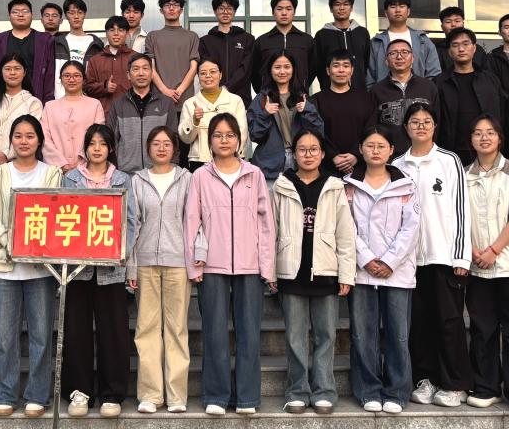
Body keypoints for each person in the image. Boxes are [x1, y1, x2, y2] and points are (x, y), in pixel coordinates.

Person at [185, 113, 276, 416]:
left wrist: (267, 267)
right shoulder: (201, 176)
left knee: (249, 332)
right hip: (212, 265)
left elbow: (266, 224)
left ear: (239, 139)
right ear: (209, 141)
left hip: (250, 266)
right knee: (214, 332)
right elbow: (192, 222)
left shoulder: (254, 174)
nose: (224, 140)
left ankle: (248, 397)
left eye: (230, 135)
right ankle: (216, 395)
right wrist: (194, 265)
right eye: (218, 135)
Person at [0, 115, 63, 418]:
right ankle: (6, 393)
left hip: (41, 268)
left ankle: (37, 395)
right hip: (3, 265)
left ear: (39, 140)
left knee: (41, 335)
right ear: (11, 140)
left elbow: (56, 213)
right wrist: (10, 242)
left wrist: (33, 247)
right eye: (18, 135)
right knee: (5, 336)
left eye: (30, 136)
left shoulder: (52, 173)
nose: (24, 141)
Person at [393, 103, 473, 408]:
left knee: (449, 322)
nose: (421, 126)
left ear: (435, 126)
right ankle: (425, 379)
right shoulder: (397, 164)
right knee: (419, 323)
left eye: (426, 121)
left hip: (443, 255)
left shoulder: (449, 161)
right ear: (406, 127)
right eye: (415, 121)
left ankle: (455, 383)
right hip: (409, 260)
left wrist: (461, 256)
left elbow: (461, 209)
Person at [271, 128, 356, 415]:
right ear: (294, 154)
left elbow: (345, 233)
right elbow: (271, 231)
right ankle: (297, 391)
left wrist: (346, 274)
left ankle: (324, 391)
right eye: (302, 150)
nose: (308, 154)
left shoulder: (334, 186)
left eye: (313, 149)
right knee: (295, 337)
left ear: (322, 154)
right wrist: (271, 270)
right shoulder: (282, 185)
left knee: (326, 335)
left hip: (325, 270)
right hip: (291, 271)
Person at [61, 124, 138, 419]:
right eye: (92, 143)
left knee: (113, 332)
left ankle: (111, 393)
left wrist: (120, 253)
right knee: (76, 331)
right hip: (78, 270)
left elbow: (130, 221)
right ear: (85, 148)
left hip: (111, 269)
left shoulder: (122, 179)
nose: (96, 148)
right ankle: (79, 391)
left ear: (110, 148)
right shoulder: (71, 179)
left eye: (102, 143)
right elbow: (63, 215)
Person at [463, 115, 509, 415]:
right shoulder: (464, 175)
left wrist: (494, 250)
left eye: (490, 132)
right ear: (471, 140)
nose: (484, 138)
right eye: (478, 133)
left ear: (499, 138)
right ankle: (486, 387)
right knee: (482, 329)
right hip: (477, 265)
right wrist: (472, 251)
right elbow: (457, 218)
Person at [343, 126, 420, 414]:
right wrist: (366, 259)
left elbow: (411, 228)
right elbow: (346, 226)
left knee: (398, 334)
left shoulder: (407, 185)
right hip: (362, 271)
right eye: (370, 145)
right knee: (363, 334)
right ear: (360, 149)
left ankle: (397, 392)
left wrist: (389, 261)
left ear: (391, 151)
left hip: (397, 272)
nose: (375, 151)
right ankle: (368, 390)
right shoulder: (348, 185)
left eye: (381, 146)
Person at [127, 126, 191, 414]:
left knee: (176, 329)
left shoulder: (186, 179)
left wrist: (197, 258)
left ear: (175, 148)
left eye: (166, 143)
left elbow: (195, 221)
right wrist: (131, 265)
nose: (161, 148)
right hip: (145, 263)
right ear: (148, 148)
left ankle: (176, 396)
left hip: (178, 262)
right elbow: (132, 224)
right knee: (147, 329)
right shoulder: (137, 180)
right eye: (156, 143)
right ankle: (151, 395)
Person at [248, 51, 324, 192]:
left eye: (287, 67)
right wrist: (265, 114)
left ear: (293, 69)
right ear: (270, 70)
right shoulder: (262, 99)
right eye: (277, 67)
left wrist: (307, 110)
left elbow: (318, 132)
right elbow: (254, 135)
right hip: (269, 163)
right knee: (269, 205)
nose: (282, 71)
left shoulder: (303, 98)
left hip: (299, 162)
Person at [435, 28, 505, 166]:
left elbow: (502, 114)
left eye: (466, 44)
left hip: (486, 150)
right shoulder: (439, 83)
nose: (461, 49)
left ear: (474, 48)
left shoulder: (490, 80)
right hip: (451, 152)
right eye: (455, 45)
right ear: (449, 51)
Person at [107, 53, 177, 173]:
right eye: (136, 69)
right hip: (126, 174)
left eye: (145, 68)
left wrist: (172, 168)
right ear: (128, 75)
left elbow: (174, 138)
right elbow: (111, 140)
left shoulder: (166, 104)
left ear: (152, 73)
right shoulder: (118, 105)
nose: (141, 73)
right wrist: (115, 171)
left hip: (159, 172)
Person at [311, 49, 376, 176]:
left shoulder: (366, 98)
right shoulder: (316, 100)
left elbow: (371, 128)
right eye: (336, 66)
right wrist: (333, 156)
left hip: (361, 166)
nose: (341, 70)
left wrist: (355, 154)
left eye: (346, 66)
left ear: (352, 70)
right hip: (326, 168)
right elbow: (316, 132)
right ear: (328, 70)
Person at [370, 39, 439, 158]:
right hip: (390, 157)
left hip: (425, 156)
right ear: (386, 60)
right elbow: (373, 126)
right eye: (393, 53)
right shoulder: (377, 90)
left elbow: (438, 122)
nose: (399, 57)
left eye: (404, 52)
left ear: (412, 58)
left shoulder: (428, 87)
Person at [0, 52, 44, 168]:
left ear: (24, 72)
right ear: (1, 72)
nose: (12, 73)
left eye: (17, 68)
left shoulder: (33, 103)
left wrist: (7, 155)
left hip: (19, 164)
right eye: (7, 69)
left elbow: (32, 135)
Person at [179, 58, 249, 171]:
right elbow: (185, 138)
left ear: (220, 75)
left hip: (231, 159)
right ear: (198, 77)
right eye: (203, 73)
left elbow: (242, 132)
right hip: (200, 161)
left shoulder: (235, 101)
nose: (208, 76)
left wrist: (232, 154)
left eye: (213, 71)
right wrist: (194, 120)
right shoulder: (189, 103)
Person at [0, 0, 56, 102]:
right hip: (3, 100)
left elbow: (50, 74)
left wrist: (47, 101)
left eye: (25, 11)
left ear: (32, 15)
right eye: (15, 12)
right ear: (9, 16)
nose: (20, 15)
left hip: (35, 99)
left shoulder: (45, 40)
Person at [42, 60, 105, 173]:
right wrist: (61, 164)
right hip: (56, 170)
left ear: (84, 79)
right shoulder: (50, 106)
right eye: (67, 76)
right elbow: (45, 139)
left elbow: (98, 136)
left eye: (76, 75)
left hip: (87, 169)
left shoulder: (94, 105)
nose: (71, 80)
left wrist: (82, 162)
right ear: (60, 79)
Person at [367, 0, 442, 88]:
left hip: (419, 94)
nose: (398, 10)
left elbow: (434, 73)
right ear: (386, 13)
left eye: (402, 6)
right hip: (385, 95)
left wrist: (425, 92)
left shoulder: (422, 39)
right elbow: (370, 77)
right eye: (393, 7)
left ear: (408, 11)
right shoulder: (376, 42)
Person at [145, 0, 200, 119]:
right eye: (167, 5)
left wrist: (179, 91)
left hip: (185, 100)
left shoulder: (192, 36)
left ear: (181, 10)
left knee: (185, 132)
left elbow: (194, 68)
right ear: (161, 10)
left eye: (175, 5)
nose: (171, 8)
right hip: (158, 100)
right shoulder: (152, 36)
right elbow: (150, 68)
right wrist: (165, 91)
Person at [198, 0, 255, 105]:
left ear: (234, 11)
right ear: (215, 11)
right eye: (221, 8)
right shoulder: (205, 41)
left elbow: (246, 69)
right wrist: (219, 90)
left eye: (229, 8)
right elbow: (206, 69)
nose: (225, 12)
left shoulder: (248, 39)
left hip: (241, 98)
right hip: (214, 98)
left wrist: (226, 88)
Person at [253, 0, 317, 90]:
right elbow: (254, 72)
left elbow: (313, 69)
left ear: (294, 12)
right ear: (273, 12)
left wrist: (302, 86)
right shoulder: (262, 41)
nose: (284, 13)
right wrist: (263, 91)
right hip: (269, 97)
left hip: (299, 96)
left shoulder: (306, 40)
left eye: (288, 9)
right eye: (279, 9)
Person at [313, 0, 372, 91]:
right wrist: (325, 87)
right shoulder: (322, 35)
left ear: (351, 8)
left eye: (346, 4)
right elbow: (318, 66)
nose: (341, 8)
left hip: (360, 92)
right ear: (331, 9)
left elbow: (367, 63)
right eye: (337, 4)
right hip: (331, 93)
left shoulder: (362, 33)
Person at [84, 15, 135, 114]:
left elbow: (144, 85)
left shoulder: (135, 58)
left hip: (131, 113)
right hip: (104, 113)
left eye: (121, 30)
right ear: (106, 33)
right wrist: (104, 86)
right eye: (112, 30)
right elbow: (87, 87)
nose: (116, 34)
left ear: (127, 33)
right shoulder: (95, 60)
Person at [53, 0, 104, 72]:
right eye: (72, 13)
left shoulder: (96, 44)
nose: (76, 17)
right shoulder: (57, 43)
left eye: (80, 12)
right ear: (66, 16)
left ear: (84, 15)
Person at [436, 6, 487, 72]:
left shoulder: (478, 50)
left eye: (457, 21)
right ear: (442, 26)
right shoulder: (435, 50)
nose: (453, 24)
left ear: (463, 24)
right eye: (448, 22)